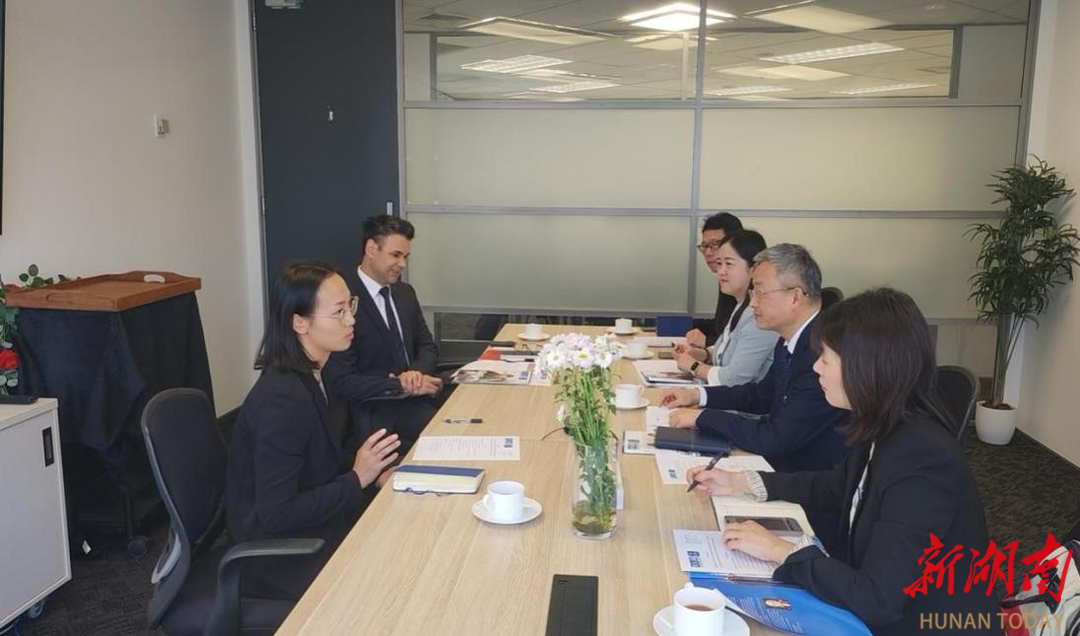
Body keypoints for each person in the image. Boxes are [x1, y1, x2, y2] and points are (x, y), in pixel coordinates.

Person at [686, 288, 998, 636]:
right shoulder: (885, 426)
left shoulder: (922, 457)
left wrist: (781, 551)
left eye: (826, 358)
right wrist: (740, 481)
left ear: (867, 367)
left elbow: (878, 599)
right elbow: (835, 487)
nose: (815, 367)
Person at [227, 261, 401, 600]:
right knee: (397, 571)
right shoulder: (283, 401)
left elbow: (317, 463)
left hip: (308, 530)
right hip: (280, 556)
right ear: (300, 323)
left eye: (351, 306)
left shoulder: (310, 375)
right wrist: (357, 478)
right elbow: (277, 514)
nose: (351, 320)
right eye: (339, 312)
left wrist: (373, 474)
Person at [663, 244, 848, 473]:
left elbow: (775, 438)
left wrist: (703, 418)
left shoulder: (822, 355)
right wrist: (697, 395)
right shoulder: (793, 338)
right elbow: (761, 395)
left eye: (760, 292)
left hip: (804, 480)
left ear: (795, 297)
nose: (752, 303)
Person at [324, 215, 443, 453]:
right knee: (449, 438)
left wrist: (415, 375)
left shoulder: (405, 293)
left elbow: (427, 347)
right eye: (395, 255)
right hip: (376, 410)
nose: (402, 264)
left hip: (419, 397)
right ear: (371, 249)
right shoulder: (343, 299)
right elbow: (342, 381)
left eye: (405, 257)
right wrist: (398, 384)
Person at [673, 230, 776, 386]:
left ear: (754, 268)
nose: (721, 272)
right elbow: (730, 349)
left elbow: (736, 378)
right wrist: (702, 354)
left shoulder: (758, 313)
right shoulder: (741, 304)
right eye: (719, 264)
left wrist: (694, 366)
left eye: (729, 264)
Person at [686, 212, 743, 348]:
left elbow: (743, 341)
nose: (708, 253)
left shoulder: (752, 286)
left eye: (715, 245)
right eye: (704, 246)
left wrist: (708, 342)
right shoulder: (724, 277)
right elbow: (722, 325)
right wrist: (678, 325)